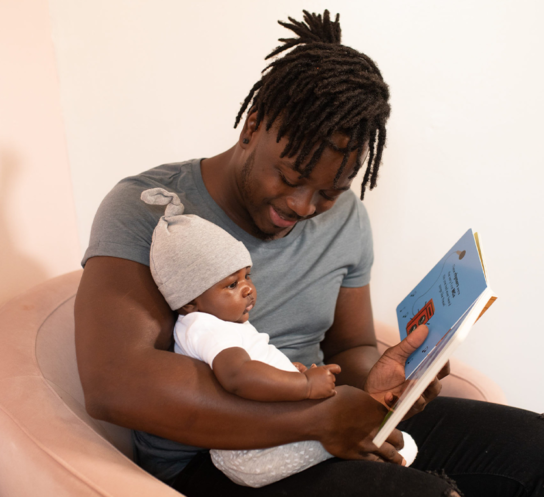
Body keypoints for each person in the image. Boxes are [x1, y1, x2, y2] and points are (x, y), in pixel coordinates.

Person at [75, 10, 544, 497]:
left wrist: (383, 379)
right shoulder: (149, 209)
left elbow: (349, 349)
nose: (301, 206)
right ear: (252, 126)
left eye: (329, 192)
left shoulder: (346, 219)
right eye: (291, 177)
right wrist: (315, 417)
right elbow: (115, 384)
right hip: (213, 458)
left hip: (324, 415)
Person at [138, 186, 417, 487]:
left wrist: (284, 373)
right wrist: (304, 385)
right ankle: (387, 445)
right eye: (231, 284)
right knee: (374, 437)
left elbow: (251, 371)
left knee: (364, 428)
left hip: (260, 441)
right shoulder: (205, 327)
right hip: (250, 452)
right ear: (189, 301)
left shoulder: (221, 323)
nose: (247, 288)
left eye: (247, 276)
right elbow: (238, 376)